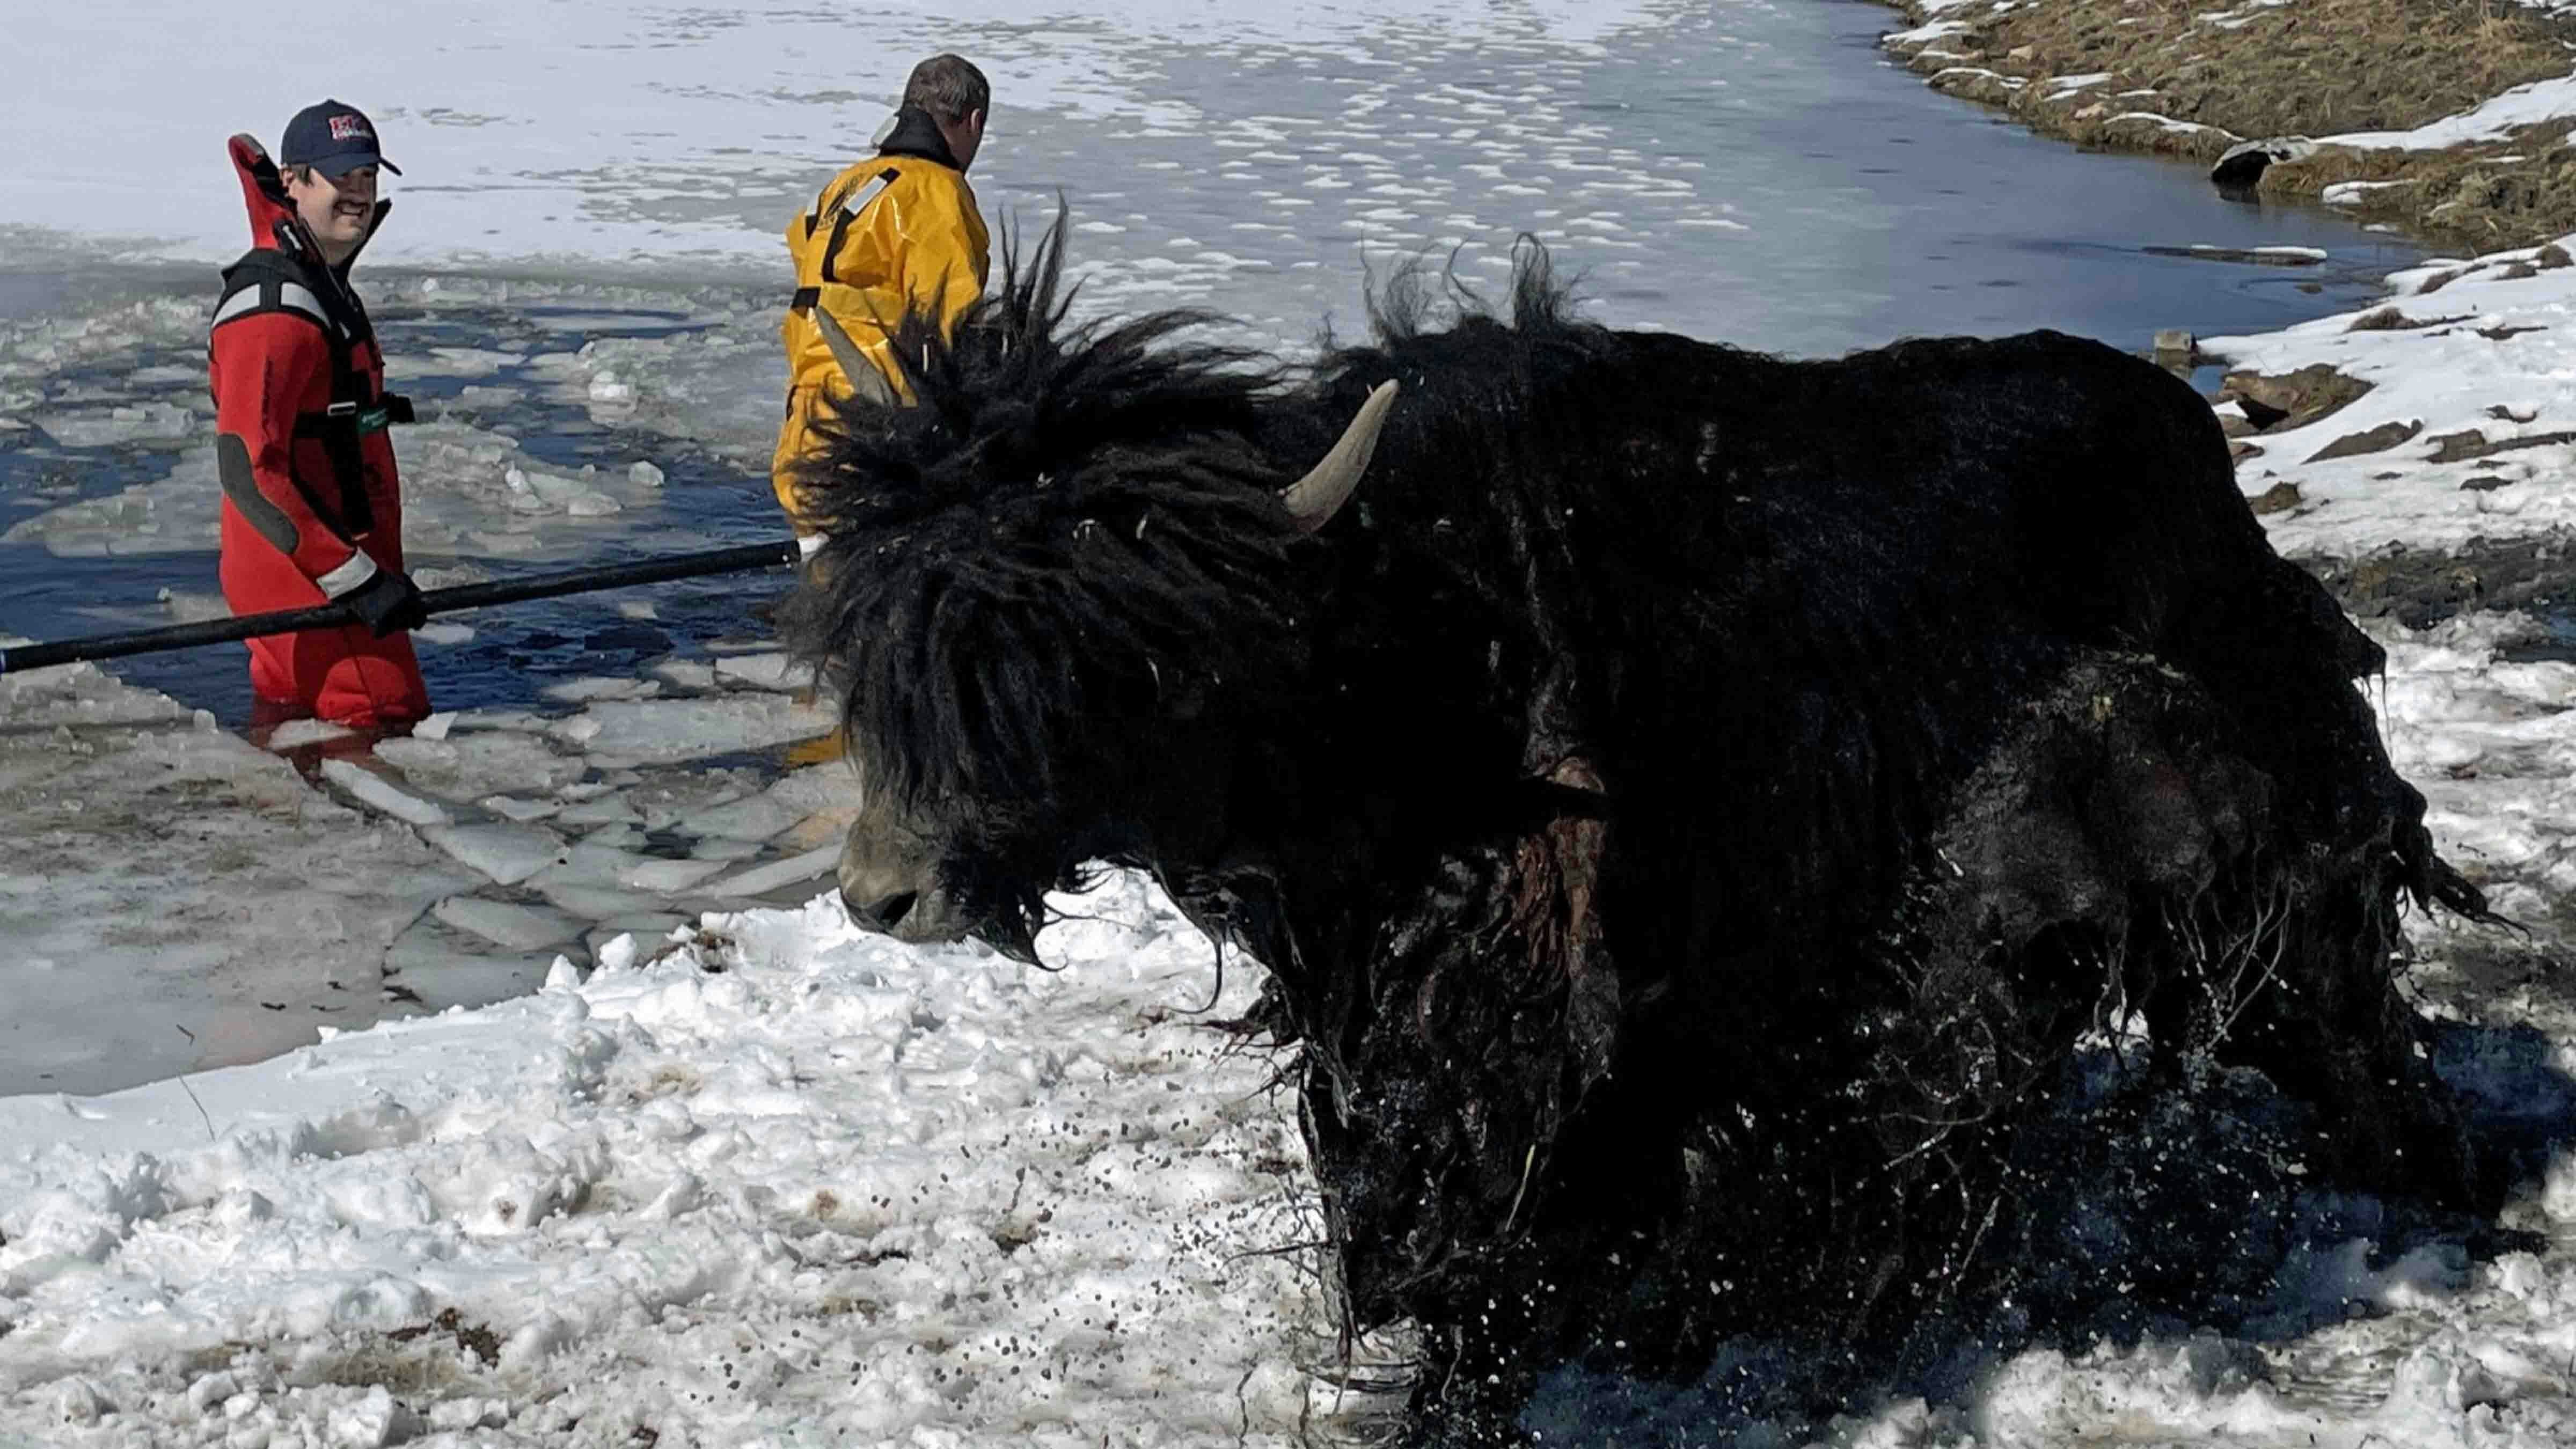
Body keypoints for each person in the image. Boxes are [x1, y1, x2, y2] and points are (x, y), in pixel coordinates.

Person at [208, 100, 430, 729]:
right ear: (294, 180)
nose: (359, 194)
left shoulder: (320, 284)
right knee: (382, 720)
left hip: (321, 568)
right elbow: (248, 469)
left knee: (291, 728)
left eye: (367, 176)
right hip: (305, 577)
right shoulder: (274, 310)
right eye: (341, 178)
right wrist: (356, 581)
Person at [772, 54, 993, 551]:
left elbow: (807, 261)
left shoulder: (847, 186)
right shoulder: (935, 192)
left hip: (806, 429)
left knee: (827, 584)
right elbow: (955, 321)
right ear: (974, 122)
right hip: (873, 438)